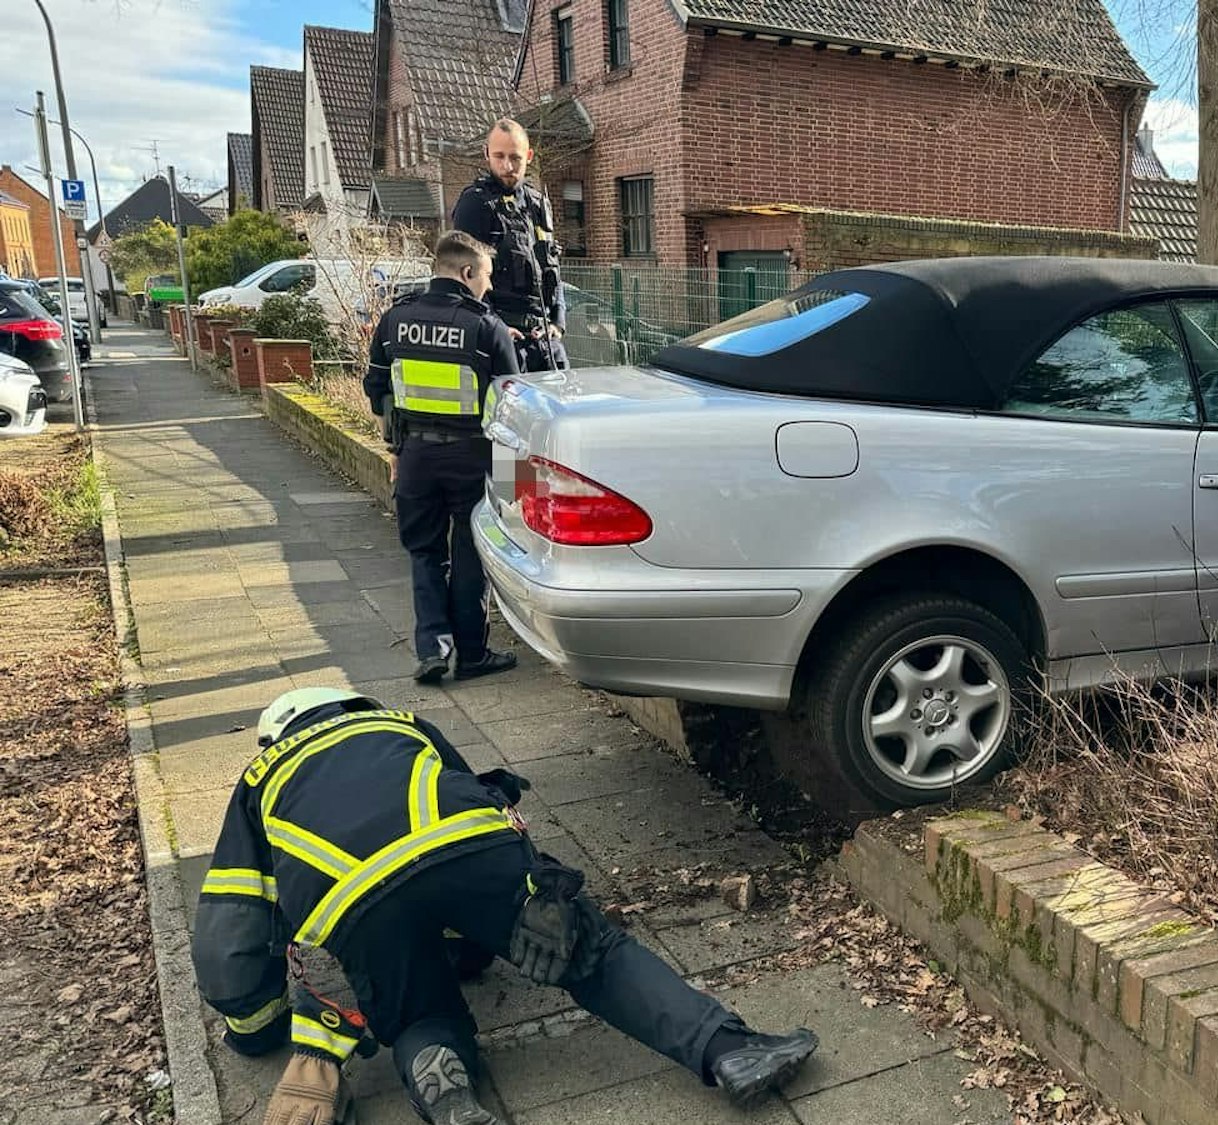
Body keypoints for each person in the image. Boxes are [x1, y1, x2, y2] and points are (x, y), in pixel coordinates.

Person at [192, 688, 820, 1125]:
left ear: (276, 736)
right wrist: (536, 898)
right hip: (469, 849)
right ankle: (728, 1050)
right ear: (348, 706)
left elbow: (232, 923)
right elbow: (485, 804)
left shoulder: (260, 779)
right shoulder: (399, 724)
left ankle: (446, 1084)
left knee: (417, 1011)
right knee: (592, 953)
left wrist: (256, 1028)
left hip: (352, 903)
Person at [362, 232, 517, 684]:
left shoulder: (395, 320)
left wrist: (396, 449)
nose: (488, 286)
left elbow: (378, 393)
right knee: (470, 552)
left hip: (415, 457)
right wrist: (517, 486)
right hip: (474, 458)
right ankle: (471, 654)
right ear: (467, 273)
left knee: (425, 553)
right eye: (486, 276)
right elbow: (511, 407)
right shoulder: (485, 327)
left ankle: (432, 648)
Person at [450, 118, 567, 372]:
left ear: (529, 156)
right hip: (503, 340)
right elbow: (463, 279)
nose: (507, 166)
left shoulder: (538, 205)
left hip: (546, 340)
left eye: (515, 158)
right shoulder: (475, 205)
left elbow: (553, 268)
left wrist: (558, 321)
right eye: (499, 156)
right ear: (486, 155)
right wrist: (494, 327)